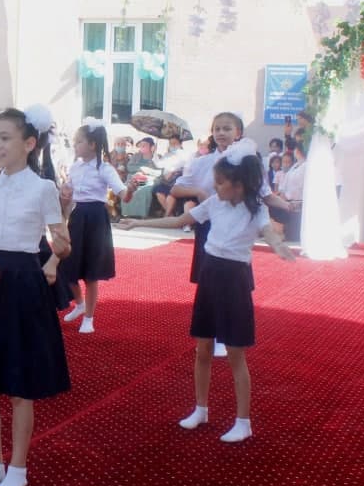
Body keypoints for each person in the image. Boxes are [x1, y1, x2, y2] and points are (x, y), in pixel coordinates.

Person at [121, 140, 295, 442]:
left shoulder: (256, 210)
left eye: (220, 182)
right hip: (210, 275)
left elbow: (269, 232)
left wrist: (279, 246)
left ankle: (243, 421)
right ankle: (200, 409)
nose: (215, 187)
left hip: (235, 280)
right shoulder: (215, 203)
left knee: (235, 354)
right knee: (202, 349)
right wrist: (137, 223)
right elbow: (180, 220)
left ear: (238, 185)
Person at [0, 105, 71, 486]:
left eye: (5, 138)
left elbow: (62, 243)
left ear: (29, 143)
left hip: (25, 286)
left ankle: (18, 468)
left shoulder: (42, 189)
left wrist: (53, 259)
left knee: (21, 386)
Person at [170, 112, 289, 357]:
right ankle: (210, 333)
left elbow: (265, 194)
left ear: (238, 133)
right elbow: (177, 188)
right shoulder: (202, 161)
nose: (221, 133)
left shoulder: (246, 162)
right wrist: (199, 192)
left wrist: (288, 207)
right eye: (217, 129)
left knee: (234, 281)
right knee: (208, 277)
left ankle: (226, 335)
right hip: (209, 222)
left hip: (238, 224)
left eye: (227, 128)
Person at [58, 120, 138, 334]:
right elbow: (68, 193)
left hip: (96, 220)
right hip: (78, 217)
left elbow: (123, 195)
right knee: (68, 265)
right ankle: (79, 303)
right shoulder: (75, 167)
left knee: (91, 272)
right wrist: (64, 194)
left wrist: (130, 189)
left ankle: (89, 317)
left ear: (92, 144)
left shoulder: (104, 168)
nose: (75, 145)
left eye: (79, 141)